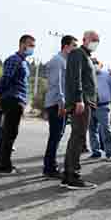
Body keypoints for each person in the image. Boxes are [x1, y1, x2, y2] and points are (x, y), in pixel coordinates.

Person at [0, 34, 35, 175]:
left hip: (17, 100)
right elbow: (5, 79)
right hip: (12, 100)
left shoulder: (23, 62)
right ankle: (4, 165)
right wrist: (1, 98)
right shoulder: (14, 60)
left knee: (6, 132)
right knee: (10, 133)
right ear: (22, 44)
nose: (32, 48)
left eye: (33, 46)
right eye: (30, 45)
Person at [63, 30, 100, 190]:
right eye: (93, 39)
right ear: (85, 40)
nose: (95, 42)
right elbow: (75, 77)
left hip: (86, 101)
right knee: (78, 137)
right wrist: (79, 99)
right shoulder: (78, 53)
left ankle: (68, 175)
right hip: (82, 101)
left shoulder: (86, 57)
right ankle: (73, 176)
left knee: (77, 137)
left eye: (97, 40)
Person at [42, 35, 78, 179]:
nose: (76, 48)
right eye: (74, 45)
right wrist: (62, 103)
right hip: (57, 104)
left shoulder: (65, 61)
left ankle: (51, 166)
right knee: (55, 136)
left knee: (57, 135)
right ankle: (49, 168)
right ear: (66, 46)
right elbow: (56, 84)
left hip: (61, 103)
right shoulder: (58, 61)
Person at [89, 59, 111, 162]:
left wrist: (107, 98)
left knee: (106, 130)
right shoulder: (88, 75)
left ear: (100, 64)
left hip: (103, 106)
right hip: (91, 106)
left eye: (96, 63)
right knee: (92, 130)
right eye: (92, 63)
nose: (94, 65)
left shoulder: (108, 74)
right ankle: (96, 151)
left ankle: (109, 153)